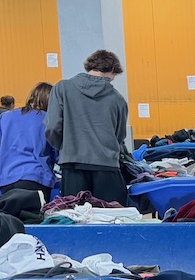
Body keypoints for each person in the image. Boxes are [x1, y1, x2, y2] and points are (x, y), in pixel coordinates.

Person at [44, 48, 130, 204]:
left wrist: (65, 147)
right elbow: (119, 136)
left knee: (76, 219)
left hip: (73, 165)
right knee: (111, 219)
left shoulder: (62, 88)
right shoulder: (118, 99)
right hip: (107, 166)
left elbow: (53, 126)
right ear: (112, 69)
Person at [0, 81, 56, 200]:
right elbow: (58, 150)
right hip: (36, 178)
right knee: (34, 217)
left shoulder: (6, 117)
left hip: (7, 180)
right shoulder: (48, 120)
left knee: (11, 217)